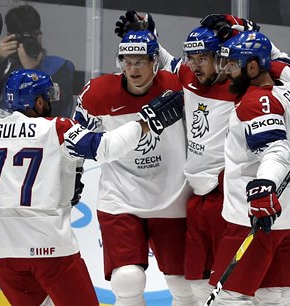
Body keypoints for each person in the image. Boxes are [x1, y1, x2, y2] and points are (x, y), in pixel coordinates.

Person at [114, 11, 290, 303]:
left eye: (204, 58)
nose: (195, 65)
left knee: (232, 294)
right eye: (192, 57)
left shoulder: (241, 89)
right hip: (200, 196)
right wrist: (148, 33)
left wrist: (243, 28)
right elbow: (168, 62)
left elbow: (276, 139)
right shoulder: (197, 76)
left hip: (231, 199)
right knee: (253, 292)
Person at [0, 69, 184, 306]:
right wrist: (145, 123)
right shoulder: (56, 128)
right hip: (48, 244)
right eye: (46, 97)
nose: (48, 102)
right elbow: (105, 148)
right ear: (37, 102)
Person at [75, 30, 198, 306]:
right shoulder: (98, 93)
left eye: (140, 61)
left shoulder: (178, 85)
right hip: (120, 197)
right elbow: (76, 138)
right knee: (127, 280)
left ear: (155, 62)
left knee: (185, 288)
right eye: (126, 61)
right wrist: (73, 175)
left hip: (173, 195)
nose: (132, 69)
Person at [208, 30, 290, 305]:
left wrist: (264, 187)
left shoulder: (255, 103)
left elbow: (275, 150)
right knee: (275, 296)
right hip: (288, 214)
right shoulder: (286, 80)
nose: (226, 71)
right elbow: (283, 58)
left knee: (229, 298)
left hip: (253, 214)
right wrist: (242, 29)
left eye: (232, 65)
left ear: (252, 66)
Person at [0, 4, 75, 119]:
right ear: (9, 38)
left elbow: (55, 110)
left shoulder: (60, 67)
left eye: (29, 39)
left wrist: (33, 73)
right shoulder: (6, 65)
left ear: (39, 37)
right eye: (20, 39)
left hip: (37, 134)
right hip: (0, 132)